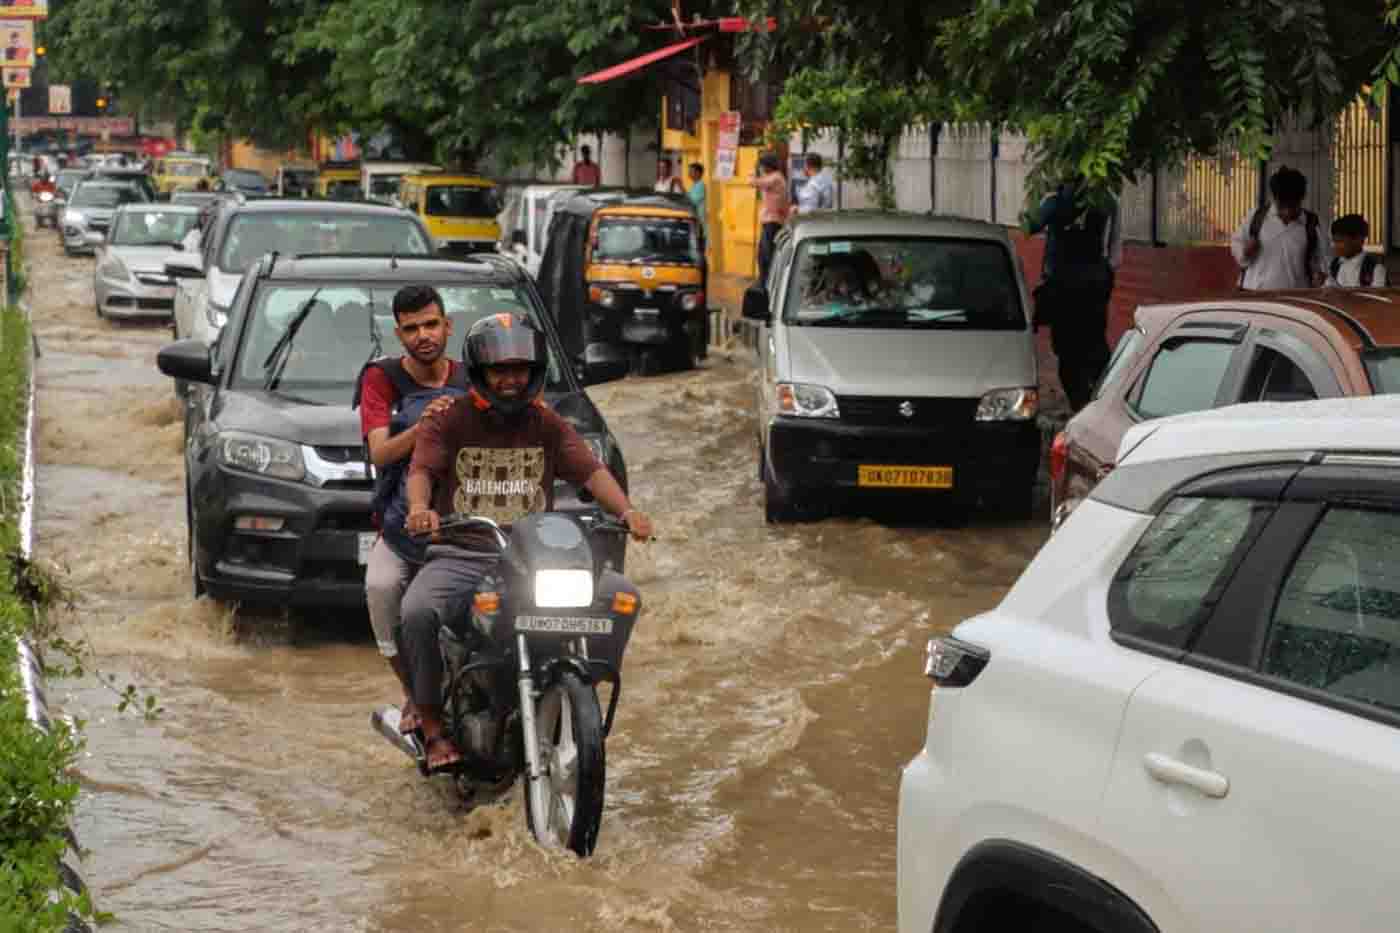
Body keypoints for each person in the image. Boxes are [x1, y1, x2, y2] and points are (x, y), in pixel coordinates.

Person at [399, 313, 654, 772]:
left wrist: (627, 512)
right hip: (464, 552)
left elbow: (591, 471)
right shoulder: (447, 419)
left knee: (622, 596)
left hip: (530, 557)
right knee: (417, 611)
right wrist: (420, 508)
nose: (511, 379)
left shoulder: (547, 422)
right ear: (480, 372)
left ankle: (577, 692)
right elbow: (422, 470)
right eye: (500, 370)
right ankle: (433, 727)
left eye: (520, 369)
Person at [355, 285, 466, 737]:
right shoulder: (380, 379)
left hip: (468, 522)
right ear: (399, 334)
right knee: (382, 588)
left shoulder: (477, 374)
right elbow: (380, 453)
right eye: (412, 328)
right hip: (403, 524)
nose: (424, 335)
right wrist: (426, 426)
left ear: (448, 326)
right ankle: (413, 691)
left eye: (431, 324)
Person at [1025, 178, 1122, 412]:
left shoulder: (1055, 200)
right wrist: (1104, 272)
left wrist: (1038, 198)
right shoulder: (1108, 199)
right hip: (1094, 289)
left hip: (1062, 289)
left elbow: (1029, 226)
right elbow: (1115, 253)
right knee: (1095, 347)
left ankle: (1081, 407)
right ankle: (1102, 405)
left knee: (1068, 354)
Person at [1231, 166, 1324, 291]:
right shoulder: (1256, 217)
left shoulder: (1311, 223)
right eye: (1282, 206)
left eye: (1293, 206)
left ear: (1302, 198)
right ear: (1274, 198)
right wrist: (1245, 251)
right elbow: (1237, 245)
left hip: (1297, 296)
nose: (1287, 212)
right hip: (1255, 293)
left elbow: (1322, 259)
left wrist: (1319, 274)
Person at [750, 152, 790, 285]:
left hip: (773, 221)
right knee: (762, 255)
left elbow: (753, 182)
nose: (760, 168)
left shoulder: (775, 178)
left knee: (768, 255)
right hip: (770, 220)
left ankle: (770, 282)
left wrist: (753, 172)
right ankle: (765, 280)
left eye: (761, 165)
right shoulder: (773, 177)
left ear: (767, 166)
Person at [1325, 214, 1387, 288]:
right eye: (1334, 241)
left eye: (1340, 241)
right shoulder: (1334, 265)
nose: (1335, 245)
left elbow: (1376, 294)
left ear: (1358, 240)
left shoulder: (1375, 269)